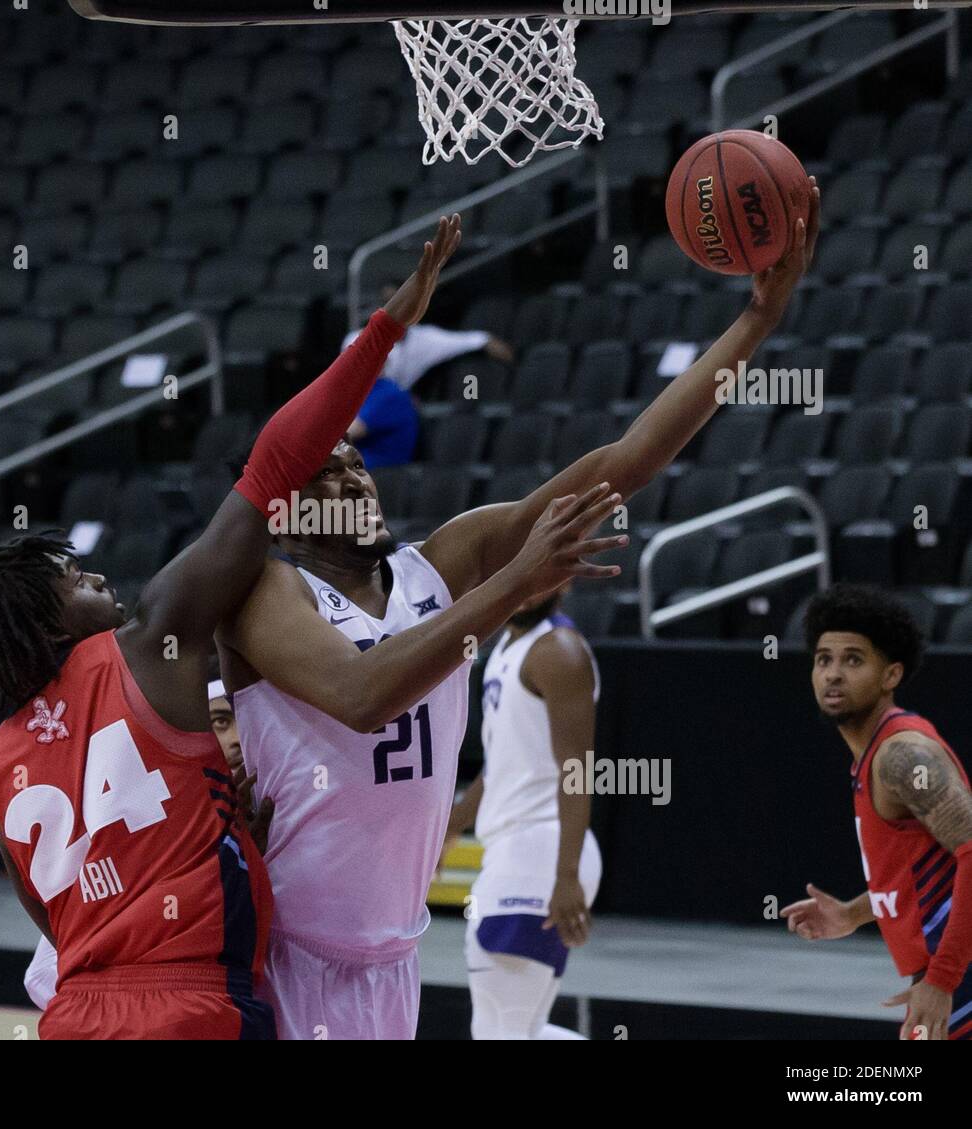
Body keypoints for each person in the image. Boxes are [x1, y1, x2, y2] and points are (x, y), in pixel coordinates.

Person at [218, 184, 819, 1040]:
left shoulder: (443, 562)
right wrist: (517, 581)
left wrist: (757, 321)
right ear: (283, 508)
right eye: (326, 474)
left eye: (357, 463)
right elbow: (361, 696)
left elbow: (630, 459)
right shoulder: (266, 592)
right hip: (289, 957)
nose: (355, 479)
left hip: (395, 955)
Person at [0, 217, 533, 1039]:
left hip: (76, 1003)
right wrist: (381, 335)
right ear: (44, 624)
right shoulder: (149, 648)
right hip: (191, 1002)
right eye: (74, 580)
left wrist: (218, 836)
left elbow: (56, 919)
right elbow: (274, 467)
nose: (96, 576)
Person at [781, 584, 972, 1041]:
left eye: (853, 660)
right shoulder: (874, 755)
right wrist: (853, 914)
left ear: (890, 675)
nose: (833, 674)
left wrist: (943, 980)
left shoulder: (903, 756)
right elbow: (922, 877)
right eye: (824, 659)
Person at [22, 678, 272, 1011]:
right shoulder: (145, 831)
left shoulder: (277, 828)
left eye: (249, 724)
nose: (238, 739)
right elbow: (42, 975)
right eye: (221, 721)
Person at [442, 583, 599, 1040]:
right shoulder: (509, 647)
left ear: (567, 580)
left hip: (541, 851)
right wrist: (453, 823)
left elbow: (579, 771)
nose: (532, 587)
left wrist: (565, 874)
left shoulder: (560, 652)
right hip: (517, 851)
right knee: (516, 1029)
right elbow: (502, 762)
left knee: (502, 1030)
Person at [343, 291, 515, 470]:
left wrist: (516, 365)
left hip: (381, 456)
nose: (395, 311)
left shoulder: (425, 342)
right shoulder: (356, 339)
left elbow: (477, 340)